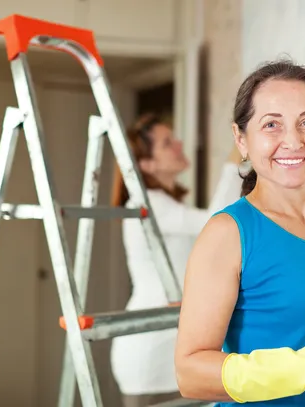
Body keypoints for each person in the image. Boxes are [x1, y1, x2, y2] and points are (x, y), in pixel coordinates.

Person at [174, 60, 305, 407]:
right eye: (272, 125)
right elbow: (190, 374)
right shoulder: (228, 233)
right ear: (242, 139)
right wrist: (301, 368)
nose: (293, 140)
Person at [109, 112, 243, 407]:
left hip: (168, 348)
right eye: (167, 143)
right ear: (147, 164)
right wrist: (236, 159)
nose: (178, 144)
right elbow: (215, 222)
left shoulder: (167, 205)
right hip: (150, 356)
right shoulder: (147, 205)